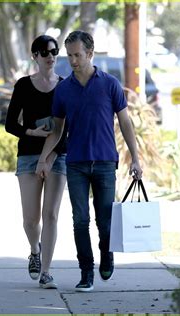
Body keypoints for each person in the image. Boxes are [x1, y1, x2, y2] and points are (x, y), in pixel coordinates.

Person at [36, 30, 143, 292]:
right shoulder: (63, 91)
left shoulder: (110, 84)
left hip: (106, 162)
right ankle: (86, 272)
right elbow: (58, 130)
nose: (73, 60)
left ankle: (106, 254)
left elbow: (126, 123)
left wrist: (136, 160)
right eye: (70, 55)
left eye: (78, 55)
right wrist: (43, 158)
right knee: (80, 219)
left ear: (90, 54)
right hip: (76, 164)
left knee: (104, 221)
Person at [5, 35, 67, 289]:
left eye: (54, 51)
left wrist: (50, 155)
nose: (50, 56)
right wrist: (32, 132)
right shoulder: (23, 86)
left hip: (58, 156)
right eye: (44, 52)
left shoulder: (65, 86)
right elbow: (10, 124)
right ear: (35, 57)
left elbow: (66, 128)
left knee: (50, 215)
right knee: (31, 219)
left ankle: (47, 272)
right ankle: (34, 250)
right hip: (29, 155)